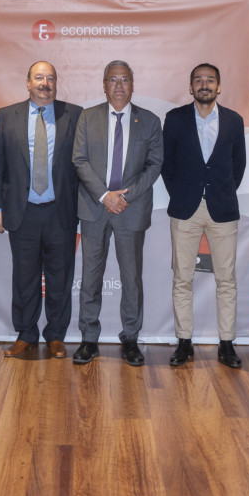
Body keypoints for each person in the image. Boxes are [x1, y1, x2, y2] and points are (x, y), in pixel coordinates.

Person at [72, 60, 163, 366]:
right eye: (113, 79)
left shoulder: (149, 121)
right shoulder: (87, 117)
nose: (119, 85)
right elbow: (79, 160)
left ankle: (131, 338)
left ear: (132, 85)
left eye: (125, 79)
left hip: (130, 209)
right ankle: (89, 338)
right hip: (94, 207)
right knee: (90, 277)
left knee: (131, 278)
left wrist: (125, 196)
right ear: (104, 85)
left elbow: (154, 166)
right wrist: (104, 196)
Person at [0, 62, 82, 359]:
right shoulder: (7, 116)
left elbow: (83, 164)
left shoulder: (75, 114)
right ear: (28, 82)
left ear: (56, 83)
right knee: (24, 278)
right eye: (39, 77)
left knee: (60, 278)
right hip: (22, 211)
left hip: (61, 211)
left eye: (50, 78)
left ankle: (56, 335)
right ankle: (25, 334)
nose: (45, 83)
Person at [161, 64, 246, 367]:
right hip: (186, 208)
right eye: (198, 80)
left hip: (223, 208)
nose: (204, 85)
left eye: (210, 80)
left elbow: (238, 166)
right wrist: (183, 193)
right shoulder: (175, 119)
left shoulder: (234, 121)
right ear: (191, 87)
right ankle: (184, 342)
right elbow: (167, 166)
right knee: (182, 278)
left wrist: (220, 192)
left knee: (227, 280)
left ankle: (227, 344)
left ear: (218, 87)